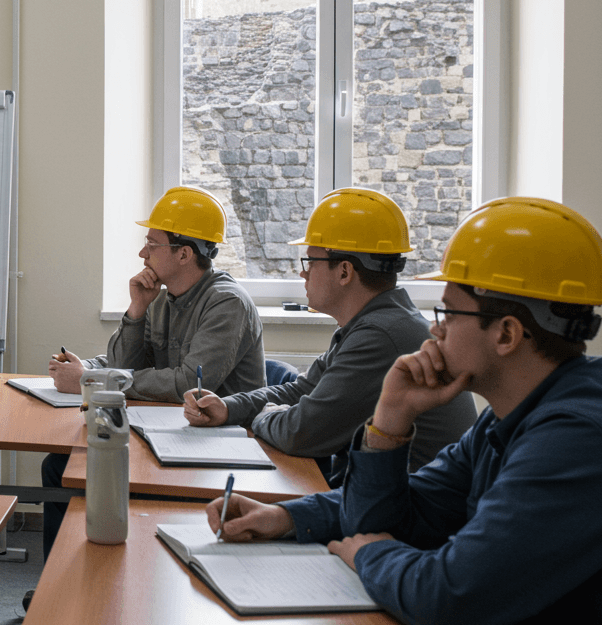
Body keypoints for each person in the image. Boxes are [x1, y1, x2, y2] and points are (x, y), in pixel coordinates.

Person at [207, 197, 602, 623]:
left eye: (448, 313)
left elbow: (451, 595)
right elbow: (408, 508)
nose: (434, 329)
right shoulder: (510, 417)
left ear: (507, 335)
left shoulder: (581, 439)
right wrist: (386, 423)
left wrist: (369, 554)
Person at [183, 187, 477, 486]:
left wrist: (263, 415)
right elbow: (302, 390)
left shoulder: (379, 336)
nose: (304, 273)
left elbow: (299, 433)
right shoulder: (372, 323)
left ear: (344, 272)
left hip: (409, 508)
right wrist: (229, 407)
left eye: (311, 262)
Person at [40, 186, 264, 560]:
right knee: (59, 466)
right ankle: (60, 580)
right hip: (171, 434)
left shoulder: (227, 303)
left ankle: (95, 574)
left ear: (184, 253)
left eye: (151, 244)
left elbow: (186, 384)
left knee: (80, 469)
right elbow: (127, 366)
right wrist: (137, 309)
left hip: (216, 445)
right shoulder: (160, 297)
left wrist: (90, 380)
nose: (142, 254)